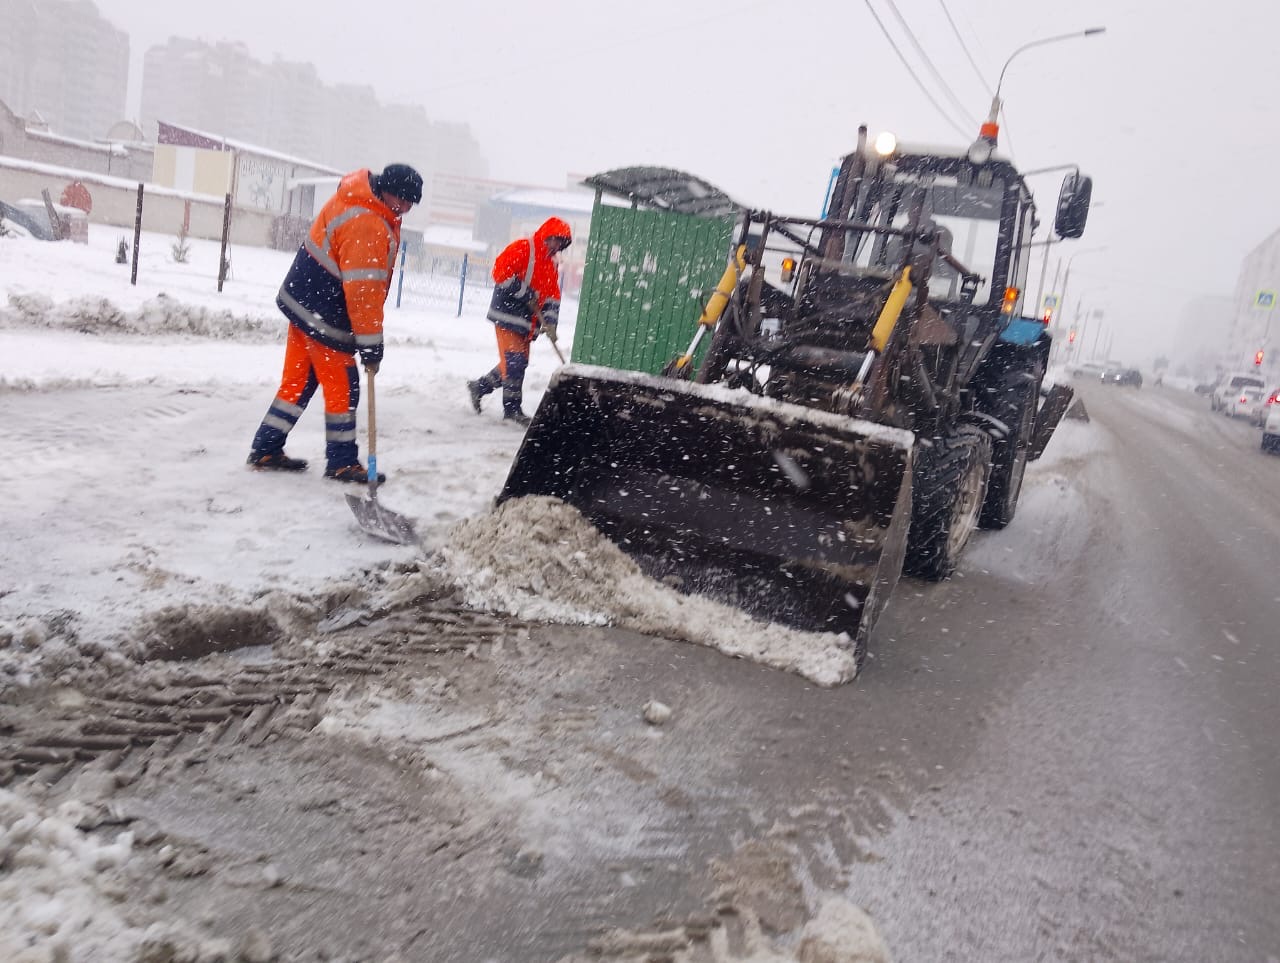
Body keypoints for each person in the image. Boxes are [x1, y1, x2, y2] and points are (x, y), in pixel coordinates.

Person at [246, 163, 422, 481]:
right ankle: (342, 463)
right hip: (324, 314)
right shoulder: (368, 221)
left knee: (297, 382)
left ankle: (266, 448)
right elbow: (363, 291)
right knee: (344, 385)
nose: (406, 209)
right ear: (388, 191)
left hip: (303, 303)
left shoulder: (356, 198)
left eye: (411, 204)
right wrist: (371, 346)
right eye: (404, 201)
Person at [467, 217, 572, 425]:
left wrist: (551, 323)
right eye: (556, 241)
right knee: (514, 362)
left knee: (517, 363)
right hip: (507, 315)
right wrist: (525, 293)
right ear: (547, 236)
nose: (558, 246)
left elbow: (552, 297)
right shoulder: (524, 248)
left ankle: (479, 387)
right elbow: (500, 272)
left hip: (526, 321)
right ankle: (512, 410)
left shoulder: (550, 265)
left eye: (562, 243)